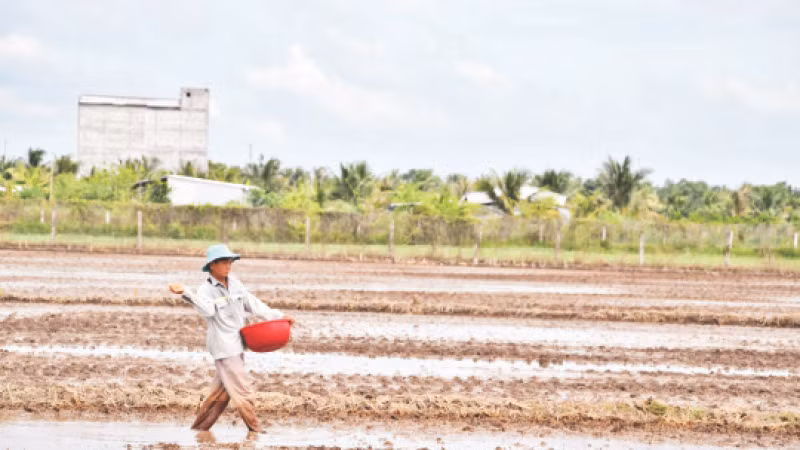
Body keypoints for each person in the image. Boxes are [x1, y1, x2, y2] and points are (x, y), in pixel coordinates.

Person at [168, 243, 294, 433]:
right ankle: (255, 430)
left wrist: (278, 316)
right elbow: (208, 311)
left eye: (230, 261)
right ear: (212, 265)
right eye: (225, 262)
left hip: (238, 343)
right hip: (224, 347)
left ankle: (199, 429)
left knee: (219, 394)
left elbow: (253, 304)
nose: (229, 265)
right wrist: (186, 293)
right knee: (242, 389)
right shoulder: (205, 290)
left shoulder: (235, 283)